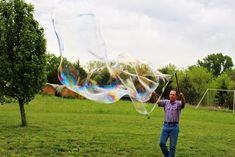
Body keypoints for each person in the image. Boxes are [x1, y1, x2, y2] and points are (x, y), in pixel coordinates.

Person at [158, 89, 185, 157]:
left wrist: (182, 97)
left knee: (172, 146)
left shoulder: (178, 103)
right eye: (170, 94)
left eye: (173, 95)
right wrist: (154, 95)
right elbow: (158, 102)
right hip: (165, 126)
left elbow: (183, 104)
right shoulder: (166, 102)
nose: (171, 96)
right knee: (161, 143)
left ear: (176, 96)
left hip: (174, 127)